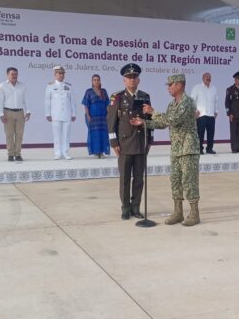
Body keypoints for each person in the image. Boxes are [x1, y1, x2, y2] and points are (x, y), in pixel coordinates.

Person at [132, 73, 200, 226]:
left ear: (180, 85)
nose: (168, 88)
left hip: (188, 149)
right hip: (176, 149)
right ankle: (178, 213)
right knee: (175, 181)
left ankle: (194, 214)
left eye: (171, 85)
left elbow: (172, 120)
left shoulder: (187, 103)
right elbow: (163, 124)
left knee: (189, 182)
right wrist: (143, 122)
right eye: (168, 85)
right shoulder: (172, 104)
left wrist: (152, 112)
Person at [107, 63, 152, 220]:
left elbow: (149, 119)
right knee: (125, 179)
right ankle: (125, 208)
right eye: (129, 77)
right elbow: (111, 121)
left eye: (134, 77)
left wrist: (150, 140)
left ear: (138, 80)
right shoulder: (117, 97)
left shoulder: (145, 96)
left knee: (139, 179)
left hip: (140, 143)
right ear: (124, 81)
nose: (132, 80)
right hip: (124, 144)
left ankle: (136, 207)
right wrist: (114, 143)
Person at [0, 66, 30, 162]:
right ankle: (11, 154)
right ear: (7, 75)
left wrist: (28, 111)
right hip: (8, 112)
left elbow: (26, 100)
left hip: (20, 112)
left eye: (16, 74)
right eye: (12, 74)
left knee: (19, 135)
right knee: (9, 135)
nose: (14, 76)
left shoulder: (22, 86)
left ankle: (18, 154)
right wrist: (1, 114)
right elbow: (0, 101)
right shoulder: (2, 86)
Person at [44, 66, 77, 160]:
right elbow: (47, 101)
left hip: (67, 113)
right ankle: (57, 153)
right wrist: (47, 113)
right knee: (57, 135)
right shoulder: (50, 86)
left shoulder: (68, 86)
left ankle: (66, 152)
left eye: (63, 74)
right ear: (55, 75)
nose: (61, 75)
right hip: (55, 114)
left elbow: (72, 101)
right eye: (59, 73)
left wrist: (73, 113)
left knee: (66, 134)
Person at [81, 74, 110, 158]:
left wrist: (108, 115)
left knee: (103, 134)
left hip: (103, 117)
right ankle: (96, 152)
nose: (96, 81)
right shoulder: (89, 91)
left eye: (98, 80)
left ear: (100, 81)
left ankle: (101, 152)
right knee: (94, 134)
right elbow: (86, 105)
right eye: (94, 80)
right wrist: (88, 116)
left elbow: (107, 104)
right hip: (93, 117)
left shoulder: (104, 91)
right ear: (92, 81)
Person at [189, 72, 218, 154]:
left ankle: (209, 149)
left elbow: (216, 101)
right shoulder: (197, 88)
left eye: (209, 77)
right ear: (203, 78)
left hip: (211, 115)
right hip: (201, 115)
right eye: (206, 77)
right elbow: (191, 101)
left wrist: (216, 111)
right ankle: (199, 149)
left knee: (211, 133)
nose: (208, 78)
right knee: (200, 133)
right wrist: (194, 111)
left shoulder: (214, 88)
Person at [224, 70, 239, 153]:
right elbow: (227, 102)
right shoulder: (230, 89)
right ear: (235, 80)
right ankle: (234, 148)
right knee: (233, 132)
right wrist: (229, 113)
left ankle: (238, 147)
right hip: (234, 114)